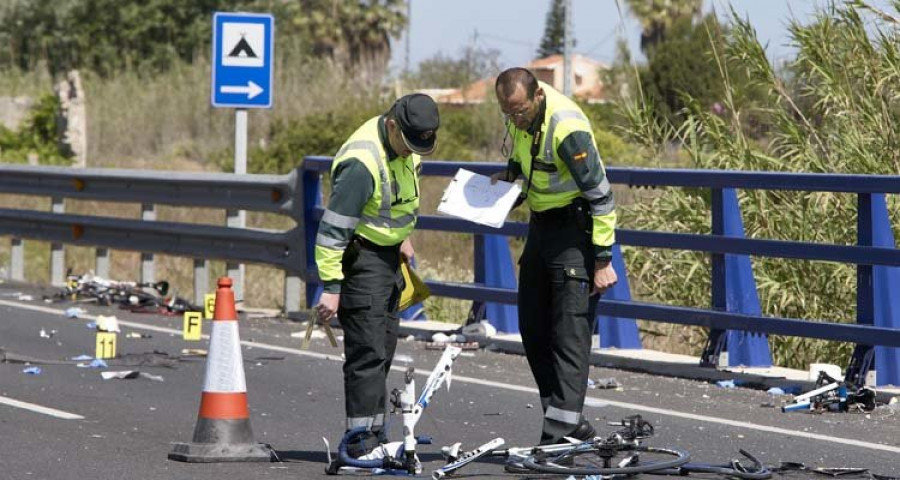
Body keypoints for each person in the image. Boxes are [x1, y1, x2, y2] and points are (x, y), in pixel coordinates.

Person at [492, 68, 617, 447]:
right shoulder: (517, 118)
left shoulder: (566, 127)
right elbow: (524, 165)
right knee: (532, 327)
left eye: (519, 111)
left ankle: (558, 436)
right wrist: (505, 180)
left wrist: (602, 260)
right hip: (541, 228)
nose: (514, 119)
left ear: (537, 98)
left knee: (569, 334)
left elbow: (602, 197)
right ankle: (568, 423)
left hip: (575, 232)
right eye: (507, 112)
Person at [314, 93, 440, 456]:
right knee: (366, 352)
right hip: (362, 257)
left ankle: (374, 432)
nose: (410, 152)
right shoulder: (362, 162)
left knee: (383, 347)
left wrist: (403, 238)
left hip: (389, 257)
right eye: (407, 144)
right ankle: (359, 441)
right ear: (391, 126)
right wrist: (332, 288)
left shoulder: (410, 145)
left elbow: (399, 199)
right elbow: (333, 231)